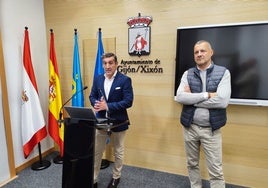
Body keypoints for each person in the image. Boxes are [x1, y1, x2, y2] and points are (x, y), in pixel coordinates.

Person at [175, 40, 231, 188]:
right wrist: (206, 95)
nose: (199, 54)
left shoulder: (223, 73)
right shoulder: (188, 73)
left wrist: (191, 99)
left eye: (203, 51)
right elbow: (179, 97)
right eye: (196, 52)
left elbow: (222, 101)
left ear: (211, 52)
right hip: (190, 127)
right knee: (192, 164)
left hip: (211, 130)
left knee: (215, 169)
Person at [89, 52, 134, 188]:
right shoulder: (98, 79)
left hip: (119, 121)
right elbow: (92, 95)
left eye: (110, 63)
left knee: (118, 151)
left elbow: (128, 101)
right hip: (101, 121)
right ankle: (94, 178)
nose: (107, 66)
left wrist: (107, 106)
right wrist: (96, 103)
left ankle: (116, 177)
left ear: (116, 64)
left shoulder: (125, 80)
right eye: (105, 63)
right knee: (97, 151)